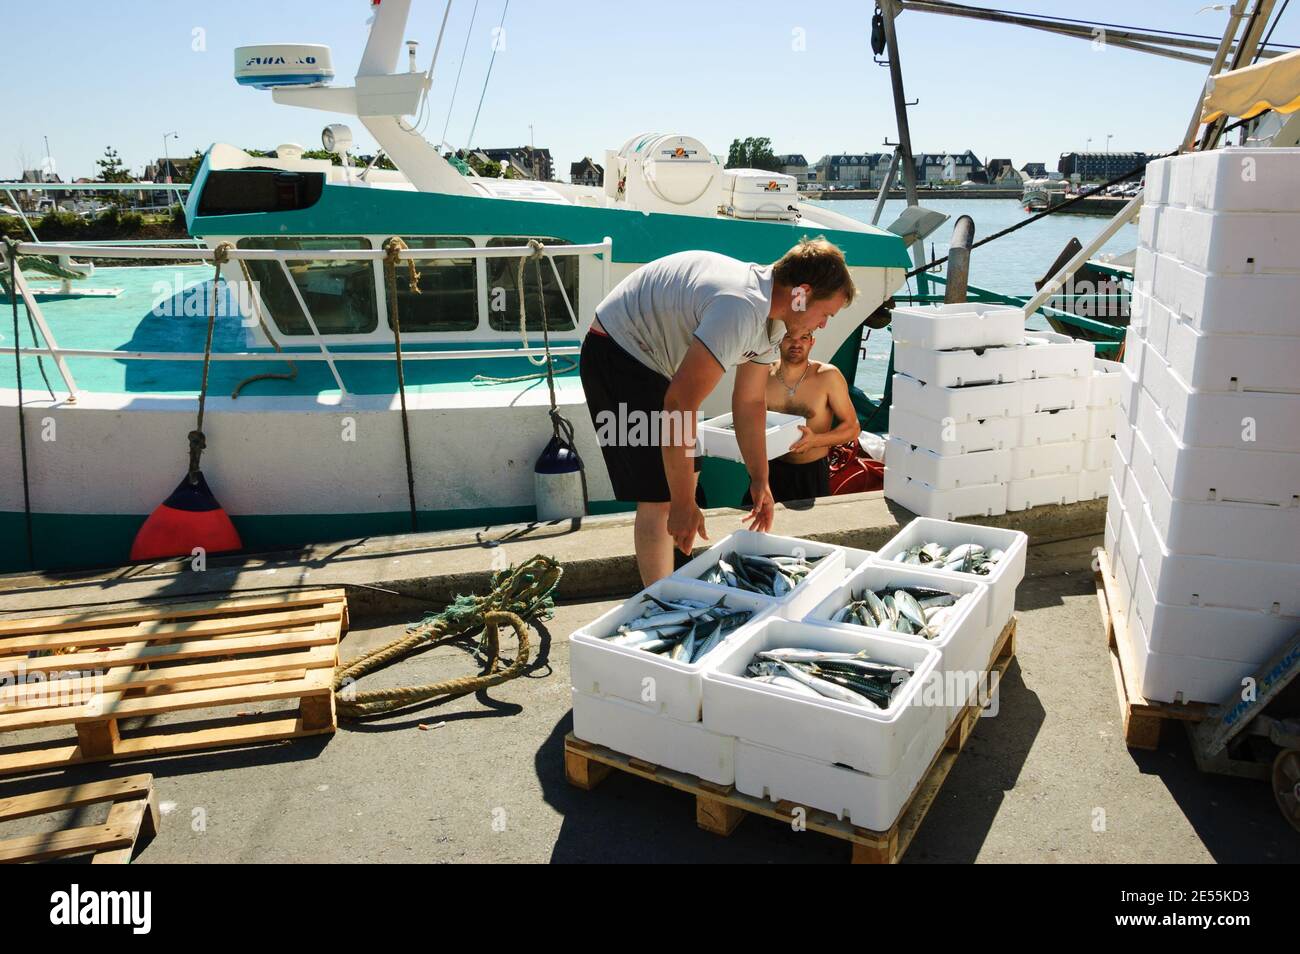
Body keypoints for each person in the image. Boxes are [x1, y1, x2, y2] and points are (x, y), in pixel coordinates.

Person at [580, 238, 856, 585]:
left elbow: (750, 401)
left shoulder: (773, 322)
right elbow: (679, 404)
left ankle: (674, 580)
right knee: (662, 494)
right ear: (801, 294)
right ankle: (660, 603)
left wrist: (760, 479)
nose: (824, 325)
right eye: (826, 313)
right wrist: (681, 502)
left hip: (653, 360)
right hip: (615, 351)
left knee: (686, 473)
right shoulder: (741, 307)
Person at [746, 329, 861, 505]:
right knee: (755, 528)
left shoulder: (828, 376)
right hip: (768, 470)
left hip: (811, 474)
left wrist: (815, 440)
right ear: (779, 341)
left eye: (804, 337)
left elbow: (852, 428)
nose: (796, 343)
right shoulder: (763, 375)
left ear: (812, 342)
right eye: (789, 337)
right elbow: (748, 420)